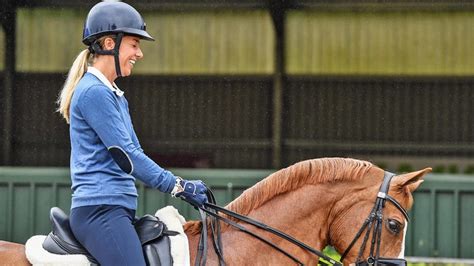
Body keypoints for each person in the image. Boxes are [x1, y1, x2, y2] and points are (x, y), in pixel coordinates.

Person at [56, 2, 208, 265]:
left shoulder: (115, 95)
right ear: (108, 44)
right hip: (100, 211)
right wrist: (179, 186)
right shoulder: (94, 92)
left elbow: (135, 153)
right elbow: (128, 157)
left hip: (116, 209)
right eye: (134, 45)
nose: (139, 54)